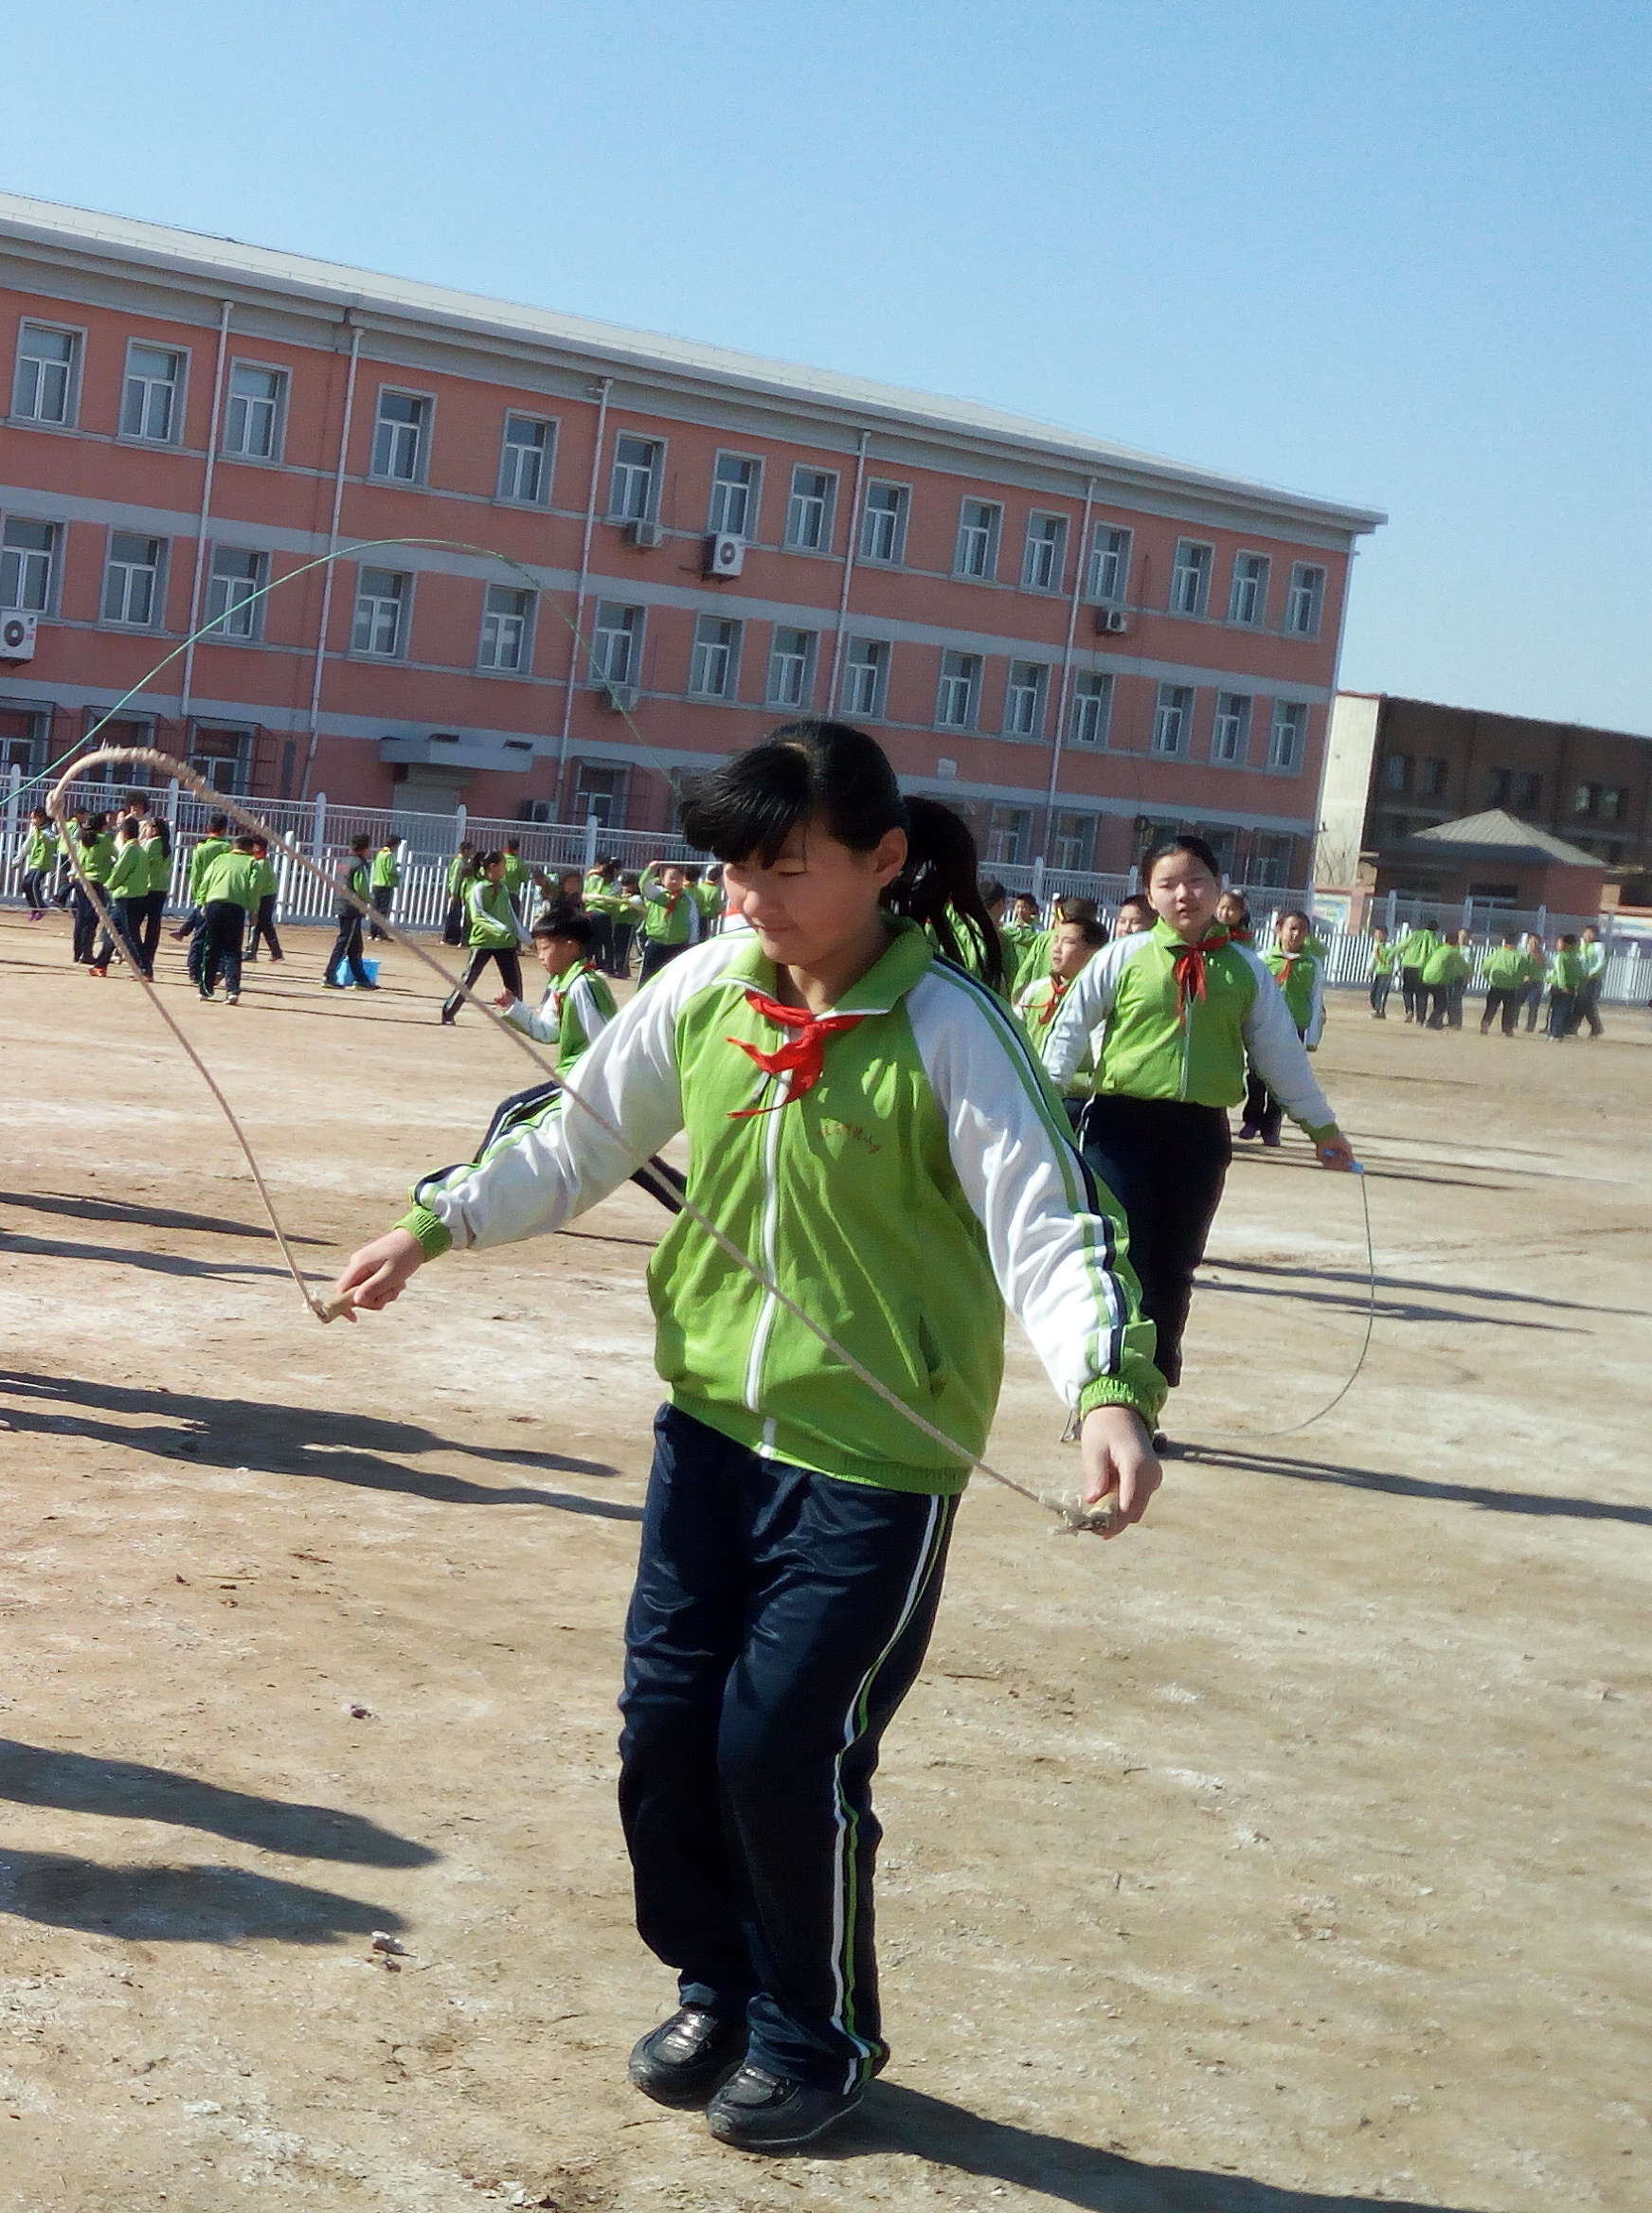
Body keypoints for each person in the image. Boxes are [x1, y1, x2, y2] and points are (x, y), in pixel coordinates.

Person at [332, 719, 1166, 2157]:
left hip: (870, 1471)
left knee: (782, 1747)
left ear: (884, 861)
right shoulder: (711, 986)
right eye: (730, 872)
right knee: (666, 1738)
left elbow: (1054, 1220)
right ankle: (718, 1980)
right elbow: (575, 1133)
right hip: (710, 1433)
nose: (750, 903)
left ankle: (815, 2028)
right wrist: (434, 1222)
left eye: (785, 871)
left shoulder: (952, 1027)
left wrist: (1104, 1389)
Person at [1043, 835, 1352, 1392]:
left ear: (1218, 887)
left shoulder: (1245, 970)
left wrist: (1322, 1130)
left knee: (1174, 1268)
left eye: (1196, 881)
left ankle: (1150, 1392)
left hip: (1198, 1137)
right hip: (1119, 1129)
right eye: (1168, 884)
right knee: (1121, 1263)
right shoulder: (1122, 958)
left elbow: (1281, 1056)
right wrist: (1044, 1110)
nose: (1183, 894)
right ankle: (1106, 1388)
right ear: (1148, 894)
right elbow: (1065, 1038)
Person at [451, 909, 683, 1211]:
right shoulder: (563, 983)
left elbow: (605, 1042)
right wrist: (514, 1008)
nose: (540, 956)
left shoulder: (584, 985)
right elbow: (547, 1032)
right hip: (584, 1083)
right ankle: (690, 1204)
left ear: (571, 947)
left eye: (545, 948)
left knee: (511, 1112)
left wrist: (602, 1092)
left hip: (583, 1082)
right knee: (631, 1159)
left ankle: (471, 1194)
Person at [1244, 909, 1325, 1142]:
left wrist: (1311, 1037)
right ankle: (1252, 1119)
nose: (1296, 934)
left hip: (1292, 1030)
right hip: (1262, 1027)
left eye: (1302, 930)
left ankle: (1271, 1127)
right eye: (1292, 928)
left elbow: (1315, 999)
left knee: (1282, 1081)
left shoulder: (1312, 965)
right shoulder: (1262, 960)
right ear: (1279, 929)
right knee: (1256, 1076)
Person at [187, 827, 272, 1003]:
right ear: (249, 850)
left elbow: (205, 882)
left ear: (235, 846)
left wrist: (202, 903)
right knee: (232, 950)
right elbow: (253, 888)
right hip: (235, 907)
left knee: (211, 948)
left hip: (214, 905)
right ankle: (232, 991)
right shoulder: (251, 863)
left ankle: (205, 989)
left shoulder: (220, 859)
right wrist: (253, 910)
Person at [440, 847, 524, 1021]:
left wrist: (527, 939)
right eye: (503, 865)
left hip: (505, 943)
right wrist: (500, 929)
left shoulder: (503, 890)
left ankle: (520, 1016)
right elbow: (478, 916)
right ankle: (448, 1013)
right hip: (483, 941)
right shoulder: (478, 888)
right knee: (468, 979)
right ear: (492, 866)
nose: (505, 869)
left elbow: (512, 918)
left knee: (514, 983)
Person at [1017, 911, 1108, 1048]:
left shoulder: (1098, 999)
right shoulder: (1036, 990)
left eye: (1068, 942)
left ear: (1092, 954)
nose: (1057, 949)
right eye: (1056, 940)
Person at [107, 814, 171, 978]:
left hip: (147, 889)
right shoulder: (166, 846)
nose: (146, 830)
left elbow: (142, 862)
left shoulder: (151, 844)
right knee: (152, 929)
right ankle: (146, 961)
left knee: (131, 929)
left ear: (155, 830)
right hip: (161, 889)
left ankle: (143, 963)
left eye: (148, 827)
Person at [322, 834, 377, 987]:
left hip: (341, 903)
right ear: (365, 849)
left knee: (355, 945)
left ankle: (361, 979)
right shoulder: (359, 864)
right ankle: (329, 975)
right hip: (352, 907)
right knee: (345, 942)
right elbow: (361, 887)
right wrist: (370, 901)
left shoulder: (344, 862)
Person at [70, 811, 118, 972]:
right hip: (97, 881)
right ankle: (87, 952)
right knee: (92, 919)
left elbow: (79, 859)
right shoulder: (105, 839)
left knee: (81, 918)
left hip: (81, 879)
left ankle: (78, 952)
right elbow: (116, 856)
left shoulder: (83, 839)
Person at [1424, 927, 1473, 1030]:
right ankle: (1432, 1022)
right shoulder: (1453, 952)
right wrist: (1468, 974)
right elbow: (1464, 966)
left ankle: (1436, 1022)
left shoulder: (1441, 949)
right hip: (1438, 979)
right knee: (1443, 1003)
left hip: (1427, 976)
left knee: (1439, 1001)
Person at [17, 808, 56, 921]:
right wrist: (19, 859)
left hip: (42, 864)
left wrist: (48, 837)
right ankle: (35, 908)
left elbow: (53, 839)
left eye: (34, 818)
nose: (32, 821)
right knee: (25, 885)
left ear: (42, 818)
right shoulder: (34, 831)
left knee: (33, 884)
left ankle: (41, 908)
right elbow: (27, 845)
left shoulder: (47, 831)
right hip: (34, 863)